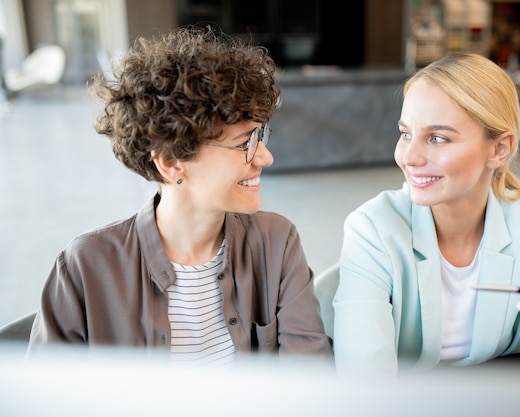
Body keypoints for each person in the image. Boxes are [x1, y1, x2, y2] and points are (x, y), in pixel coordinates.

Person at [27, 27, 333, 367]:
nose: (264, 157)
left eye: (260, 136)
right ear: (171, 162)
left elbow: (309, 377)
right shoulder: (84, 266)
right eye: (243, 143)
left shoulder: (276, 244)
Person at [332, 52, 520, 384]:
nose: (408, 157)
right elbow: (364, 387)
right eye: (406, 133)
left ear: (499, 149)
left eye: (437, 138)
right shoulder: (373, 229)